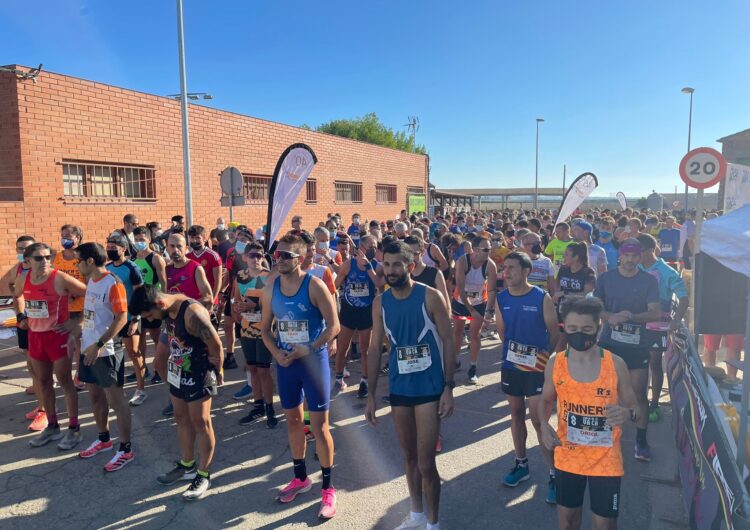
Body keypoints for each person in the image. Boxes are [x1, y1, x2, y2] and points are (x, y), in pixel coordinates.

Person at [365, 240, 456, 530]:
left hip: (429, 388)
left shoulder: (430, 297)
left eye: (396, 265)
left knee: (426, 463)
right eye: (386, 264)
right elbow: (373, 349)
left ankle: (434, 521)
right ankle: (416, 513)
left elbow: (449, 340)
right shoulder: (381, 302)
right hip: (400, 388)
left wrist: (449, 387)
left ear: (411, 267)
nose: (390, 270)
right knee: (408, 457)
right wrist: (370, 396)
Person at [260, 234, 340, 519]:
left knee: (320, 428)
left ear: (301, 258)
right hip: (286, 364)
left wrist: (311, 347)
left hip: (313, 363)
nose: (278, 260)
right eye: (276, 256)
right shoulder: (271, 289)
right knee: (293, 421)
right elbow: (265, 329)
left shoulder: (315, 285)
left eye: (284, 256)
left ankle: (328, 489)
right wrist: (275, 353)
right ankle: (300, 478)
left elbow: (334, 326)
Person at [540, 297, 638, 530]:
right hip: (569, 455)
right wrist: (544, 425)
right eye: (572, 329)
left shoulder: (616, 364)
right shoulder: (556, 363)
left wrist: (627, 414)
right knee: (567, 522)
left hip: (606, 460)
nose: (579, 335)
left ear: (598, 328)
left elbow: (636, 409)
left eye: (586, 329)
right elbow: (544, 401)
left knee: (604, 525)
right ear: (564, 326)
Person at [130, 285, 224, 500]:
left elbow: (216, 343)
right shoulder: (167, 310)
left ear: (160, 304)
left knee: (201, 422)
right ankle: (187, 465)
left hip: (198, 371)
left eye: (151, 315)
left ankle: (203, 473)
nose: (151, 320)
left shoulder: (193, 314)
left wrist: (218, 371)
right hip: (178, 371)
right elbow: (169, 336)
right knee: (181, 418)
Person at [490, 251, 559, 502]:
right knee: (516, 414)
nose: (506, 272)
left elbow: (554, 334)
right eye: (505, 268)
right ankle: (521, 465)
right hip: (511, 365)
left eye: (512, 268)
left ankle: (554, 474)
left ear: (526, 271)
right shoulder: (501, 298)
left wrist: (545, 362)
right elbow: (502, 333)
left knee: (538, 419)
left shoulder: (542, 297)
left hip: (537, 368)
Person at [594, 238, 660, 461]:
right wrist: (610, 316)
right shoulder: (605, 278)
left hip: (636, 345)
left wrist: (631, 316)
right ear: (620, 256)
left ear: (640, 257)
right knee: (605, 391)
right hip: (609, 343)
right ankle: (604, 434)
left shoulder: (648, 281)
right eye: (627, 255)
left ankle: (641, 440)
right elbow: (596, 307)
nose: (630, 260)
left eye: (635, 256)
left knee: (639, 392)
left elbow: (654, 313)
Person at [16, 242, 87, 449]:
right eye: (40, 258)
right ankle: (53, 427)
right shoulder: (24, 277)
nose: (46, 261)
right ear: (27, 261)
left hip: (58, 337)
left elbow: (90, 293)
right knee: (43, 382)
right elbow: (17, 296)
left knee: (65, 382)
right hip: (35, 338)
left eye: (49, 257)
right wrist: (21, 316)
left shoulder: (59, 277)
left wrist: (77, 322)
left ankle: (74, 429)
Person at [74, 243, 134, 471]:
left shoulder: (113, 283)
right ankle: (104, 439)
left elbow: (122, 318)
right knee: (95, 397)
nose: (76, 264)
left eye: (78, 260)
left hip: (106, 351)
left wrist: (99, 343)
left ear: (90, 261)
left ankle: (126, 449)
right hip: (88, 349)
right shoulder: (91, 281)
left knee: (117, 402)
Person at [636, 234, 689, 421]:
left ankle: (654, 403)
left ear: (650, 251)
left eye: (638, 252)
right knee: (636, 365)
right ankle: (637, 402)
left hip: (657, 326)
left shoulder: (667, 271)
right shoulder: (635, 269)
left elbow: (683, 298)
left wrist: (676, 320)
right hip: (636, 324)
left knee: (654, 363)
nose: (634, 255)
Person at [232, 242, 277, 428]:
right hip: (246, 329)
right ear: (245, 257)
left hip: (264, 329)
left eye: (260, 255)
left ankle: (270, 408)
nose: (256, 259)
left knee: (263, 371)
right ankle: (258, 406)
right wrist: (237, 310)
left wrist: (256, 305)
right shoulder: (240, 277)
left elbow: (276, 305)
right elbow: (235, 300)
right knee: (252, 369)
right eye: (252, 255)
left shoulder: (269, 277)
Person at [333, 234, 384, 398]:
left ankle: (365, 381)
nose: (374, 249)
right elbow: (335, 285)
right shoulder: (349, 264)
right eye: (371, 246)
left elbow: (378, 284)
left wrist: (368, 266)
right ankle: (339, 378)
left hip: (366, 311)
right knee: (342, 348)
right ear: (361, 248)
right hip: (349, 309)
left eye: (375, 246)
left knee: (365, 349)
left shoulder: (376, 265)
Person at [9, 235, 47, 431]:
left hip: (42, 325)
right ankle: (40, 403)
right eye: (19, 248)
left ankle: (44, 411)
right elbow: (17, 295)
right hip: (24, 322)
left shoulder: (46, 273)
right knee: (31, 365)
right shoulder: (20, 270)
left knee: (41, 371)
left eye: (27, 248)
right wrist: (21, 316)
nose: (23, 252)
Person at [105, 233, 146, 406]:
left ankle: (141, 389)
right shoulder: (107, 267)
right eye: (108, 248)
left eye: (114, 248)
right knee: (113, 355)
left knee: (134, 354)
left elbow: (140, 294)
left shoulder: (132, 268)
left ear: (123, 249)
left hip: (130, 317)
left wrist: (136, 318)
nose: (110, 251)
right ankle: (118, 388)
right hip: (113, 319)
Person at [452, 235, 498, 384]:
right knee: (458, 332)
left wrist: (489, 312)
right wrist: (470, 310)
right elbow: (460, 288)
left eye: (490, 249)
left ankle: (473, 367)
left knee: (475, 335)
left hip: (479, 302)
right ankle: (454, 360)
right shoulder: (462, 261)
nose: (489, 252)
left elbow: (491, 291)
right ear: (476, 250)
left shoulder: (490, 265)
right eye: (486, 249)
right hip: (461, 301)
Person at [53, 224, 86, 390]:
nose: (64, 239)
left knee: (79, 344)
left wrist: (74, 291)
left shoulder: (82, 258)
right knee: (65, 344)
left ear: (77, 238)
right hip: (62, 308)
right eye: (62, 235)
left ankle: (79, 376)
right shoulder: (57, 257)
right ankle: (64, 375)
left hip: (80, 308)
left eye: (68, 236)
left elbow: (88, 282)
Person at [133, 226, 168, 385]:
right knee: (139, 338)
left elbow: (163, 281)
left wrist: (165, 302)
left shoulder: (155, 258)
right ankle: (142, 368)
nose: (139, 242)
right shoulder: (133, 258)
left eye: (142, 239)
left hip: (153, 303)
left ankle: (160, 369)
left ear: (149, 239)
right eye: (137, 239)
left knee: (156, 338)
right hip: (139, 303)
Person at [187, 225, 223, 310]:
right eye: (192, 238)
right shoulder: (187, 257)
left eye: (197, 238)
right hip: (193, 300)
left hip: (208, 299)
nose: (194, 240)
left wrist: (212, 301)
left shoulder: (213, 256)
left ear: (204, 238)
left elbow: (218, 281)